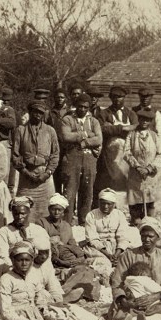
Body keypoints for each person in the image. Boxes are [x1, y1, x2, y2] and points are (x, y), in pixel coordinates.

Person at [0, 242, 102, 320]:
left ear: (32, 261)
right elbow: (6, 313)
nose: (24, 263)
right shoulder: (6, 280)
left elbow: (40, 299)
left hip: (37, 315)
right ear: (12, 260)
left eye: (27, 260)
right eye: (20, 260)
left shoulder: (32, 276)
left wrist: (46, 315)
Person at [107, 217, 161, 320]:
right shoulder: (128, 255)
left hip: (155, 304)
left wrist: (154, 297)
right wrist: (126, 301)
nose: (146, 239)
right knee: (125, 319)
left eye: (151, 236)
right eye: (143, 235)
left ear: (158, 237)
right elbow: (117, 282)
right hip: (130, 304)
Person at [12, 100, 60, 222]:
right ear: (30, 112)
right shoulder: (20, 130)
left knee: (46, 211)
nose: (37, 115)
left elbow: (55, 154)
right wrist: (26, 173)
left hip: (44, 177)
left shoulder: (50, 131)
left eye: (41, 112)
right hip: (26, 177)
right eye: (35, 112)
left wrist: (47, 173)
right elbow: (15, 156)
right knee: (23, 209)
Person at [59, 93, 102, 224]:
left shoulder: (93, 121)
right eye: (80, 106)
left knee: (87, 191)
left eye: (85, 107)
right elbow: (66, 136)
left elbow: (99, 139)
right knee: (70, 190)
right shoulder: (67, 119)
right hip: (72, 158)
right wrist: (86, 134)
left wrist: (85, 142)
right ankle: (67, 220)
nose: (82, 109)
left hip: (89, 159)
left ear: (89, 108)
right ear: (76, 106)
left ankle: (84, 220)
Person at [93, 85, 138, 195]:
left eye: (120, 97)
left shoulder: (131, 114)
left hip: (127, 149)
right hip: (110, 152)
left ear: (124, 97)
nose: (117, 99)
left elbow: (135, 128)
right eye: (114, 97)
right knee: (112, 179)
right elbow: (102, 129)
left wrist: (112, 127)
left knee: (125, 177)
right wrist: (122, 128)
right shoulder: (104, 113)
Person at [123, 108, 161, 223]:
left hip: (150, 174)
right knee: (135, 196)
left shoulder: (154, 136)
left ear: (151, 121)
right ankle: (136, 219)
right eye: (142, 119)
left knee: (150, 196)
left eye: (147, 120)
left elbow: (160, 155)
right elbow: (126, 152)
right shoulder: (131, 135)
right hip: (135, 172)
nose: (144, 122)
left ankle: (150, 220)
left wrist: (149, 168)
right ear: (139, 119)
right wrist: (137, 167)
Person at [84, 189, 138, 278]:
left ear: (114, 204)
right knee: (103, 263)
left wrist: (117, 254)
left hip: (116, 247)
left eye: (109, 204)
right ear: (98, 202)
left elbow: (123, 236)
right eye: (103, 203)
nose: (105, 206)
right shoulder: (91, 215)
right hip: (98, 248)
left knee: (128, 259)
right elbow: (92, 238)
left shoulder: (119, 214)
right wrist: (108, 254)